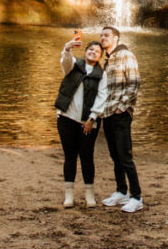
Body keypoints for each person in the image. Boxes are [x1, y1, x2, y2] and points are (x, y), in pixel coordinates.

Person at [85, 25, 143, 213]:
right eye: (101, 35)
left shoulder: (126, 55)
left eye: (107, 35)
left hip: (119, 114)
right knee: (115, 155)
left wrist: (122, 107)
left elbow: (134, 82)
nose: (103, 38)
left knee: (125, 156)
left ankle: (136, 196)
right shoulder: (108, 60)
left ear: (116, 38)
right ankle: (121, 191)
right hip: (107, 114)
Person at [55, 31, 107, 208]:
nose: (93, 52)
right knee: (70, 157)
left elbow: (102, 97)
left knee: (87, 157)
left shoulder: (102, 74)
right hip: (66, 118)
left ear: (101, 56)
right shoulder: (74, 65)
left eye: (97, 51)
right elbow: (65, 62)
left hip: (87, 122)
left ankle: (89, 194)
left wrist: (92, 118)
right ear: (85, 51)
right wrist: (67, 48)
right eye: (90, 50)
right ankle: (69, 195)